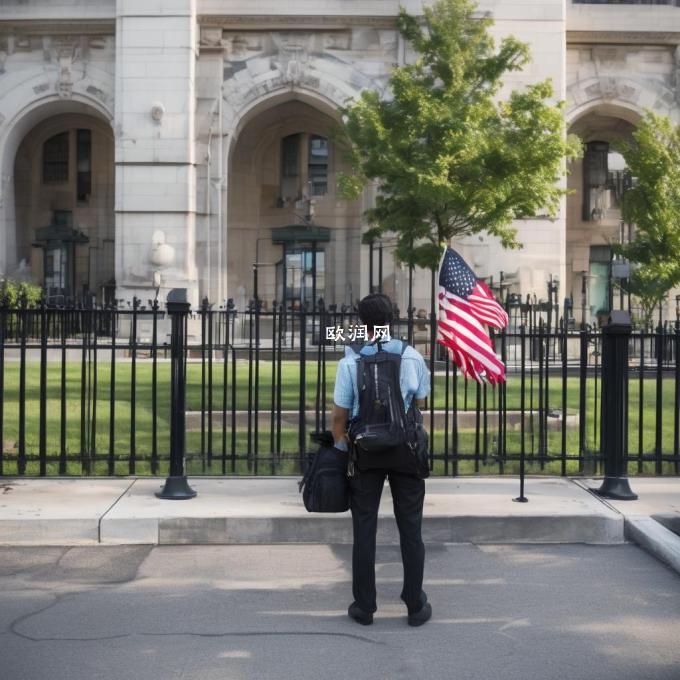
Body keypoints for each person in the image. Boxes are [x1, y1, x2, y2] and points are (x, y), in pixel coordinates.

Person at [331, 293, 432, 627]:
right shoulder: (412, 356)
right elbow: (420, 403)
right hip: (405, 450)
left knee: (364, 528)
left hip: (366, 452)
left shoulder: (350, 361)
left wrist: (343, 450)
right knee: (411, 528)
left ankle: (365, 605)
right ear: (393, 318)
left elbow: (339, 419)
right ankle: (415, 605)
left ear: (362, 323)